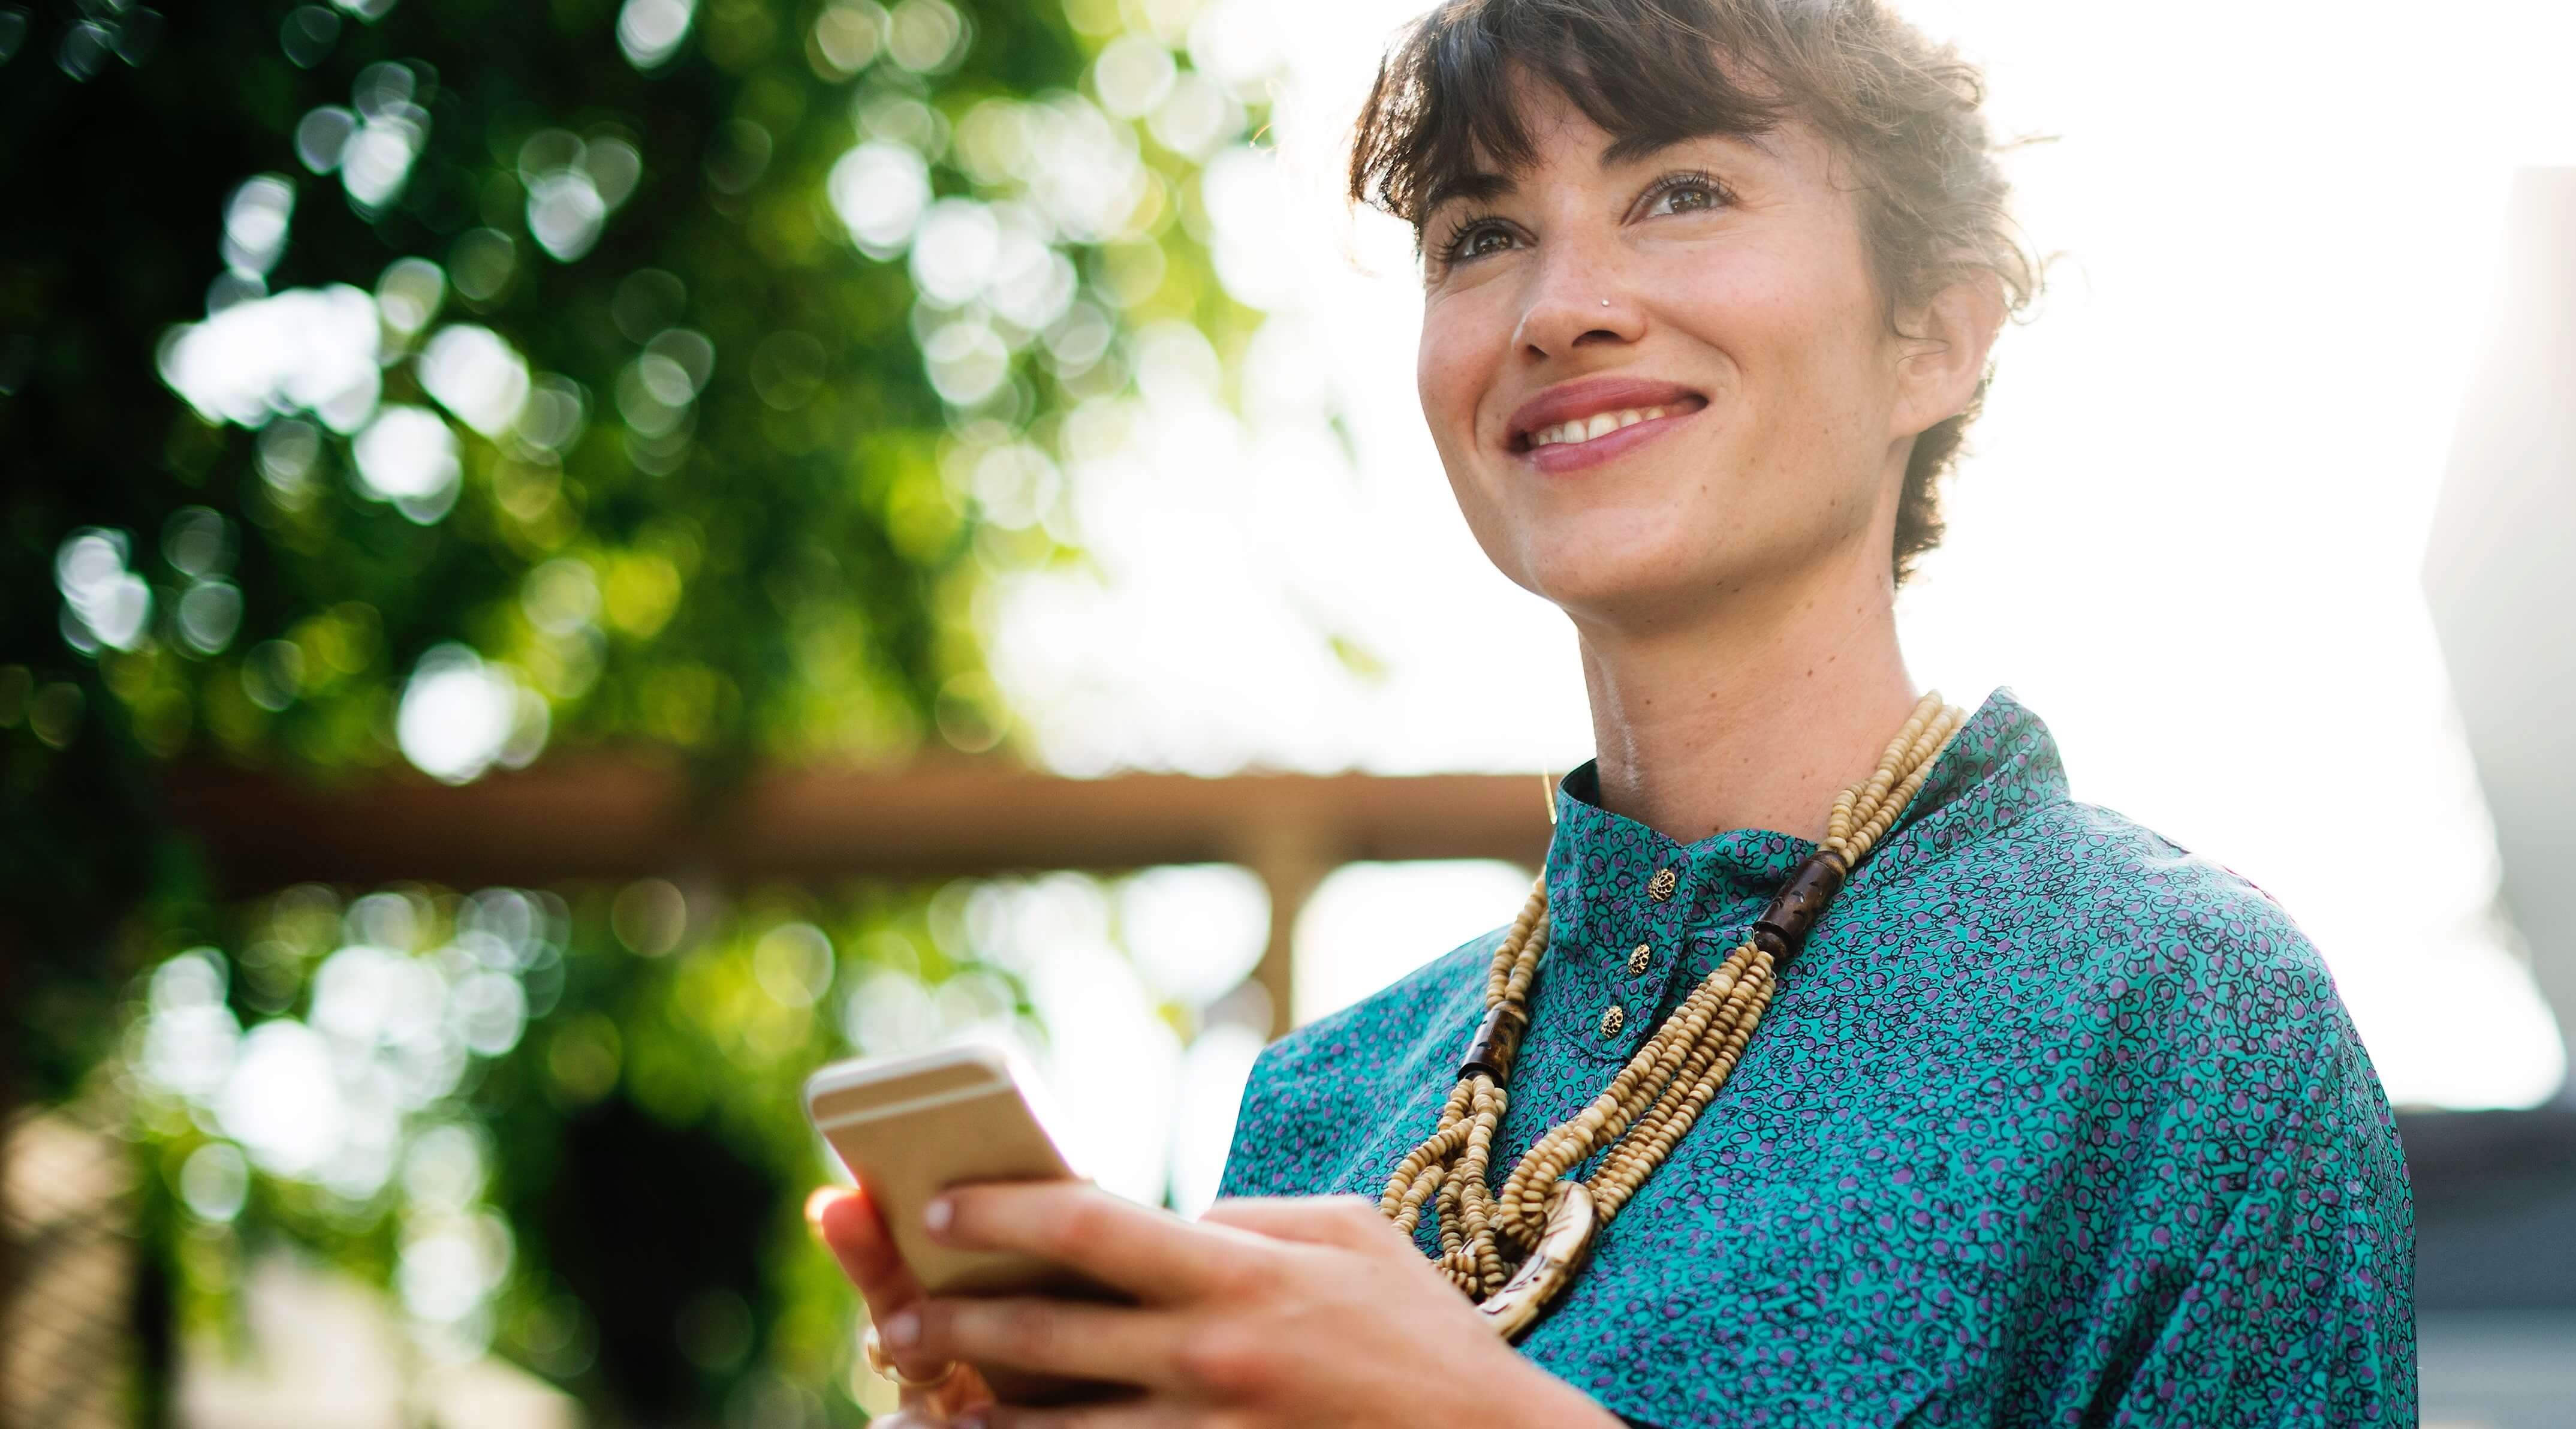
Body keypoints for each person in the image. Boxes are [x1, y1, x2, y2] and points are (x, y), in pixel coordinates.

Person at [811, 0, 2417, 1423]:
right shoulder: (1323, 1108)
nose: (1559, 306)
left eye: (1682, 191)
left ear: (1934, 334)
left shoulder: (2181, 1019)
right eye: (1480, 234)